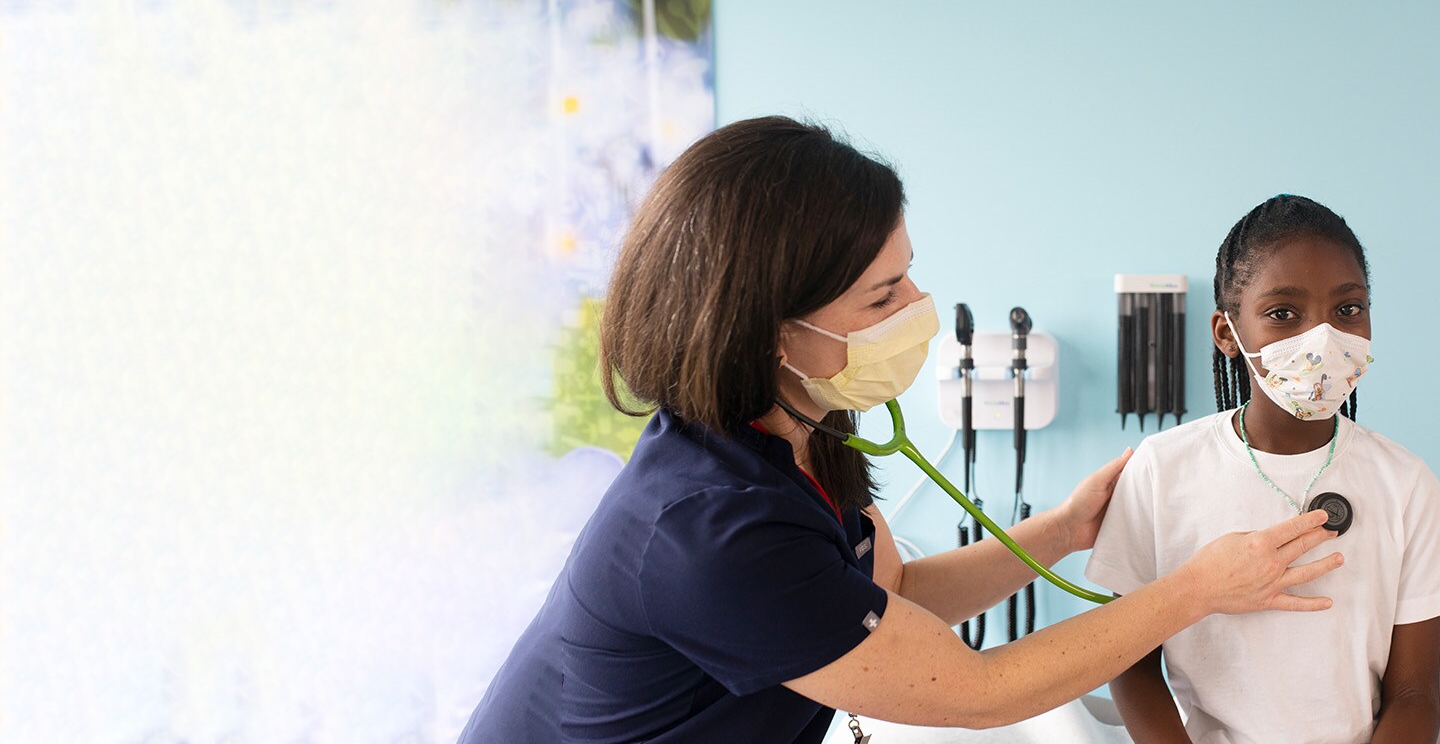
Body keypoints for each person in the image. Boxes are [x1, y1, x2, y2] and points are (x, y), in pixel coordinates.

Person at [460, 118, 1344, 743]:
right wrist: (1194, 591)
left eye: (907, 277)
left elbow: (883, 600)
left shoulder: (794, 431)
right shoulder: (707, 528)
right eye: (883, 297)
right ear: (770, 326)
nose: (918, 309)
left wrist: (1065, 530)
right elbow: (977, 690)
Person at [1087, 194, 1440, 744]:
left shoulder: (1407, 484)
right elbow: (1129, 663)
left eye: (1348, 309)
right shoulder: (1163, 471)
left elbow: (1416, 694)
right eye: (1282, 313)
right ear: (1228, 332)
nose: (1322, 338)